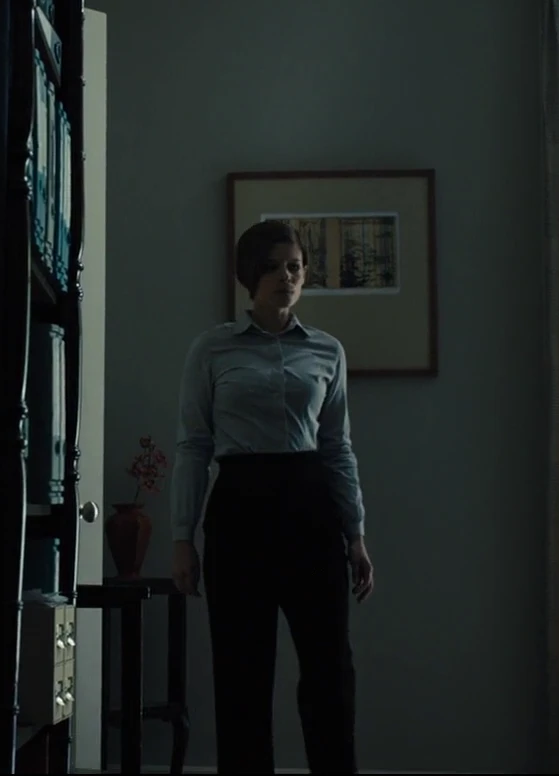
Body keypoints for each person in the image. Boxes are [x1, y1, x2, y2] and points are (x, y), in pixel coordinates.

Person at [170, 219, 375, 774]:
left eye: (295, 267)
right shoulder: (212, 349)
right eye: (274, 267)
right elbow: (193, 445)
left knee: (330, 668)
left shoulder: (328, 351)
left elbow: (337, 448)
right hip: (240, 508)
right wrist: (182, 538)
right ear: (249, 275)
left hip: (311, 510)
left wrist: (355, 534)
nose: (287, 277)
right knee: (242, 670)